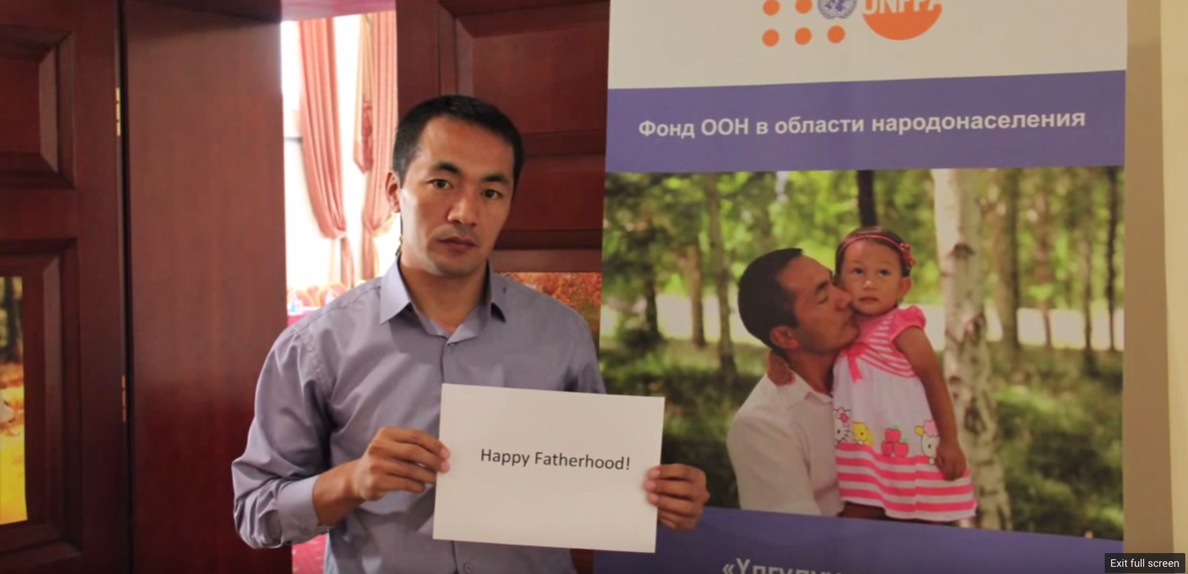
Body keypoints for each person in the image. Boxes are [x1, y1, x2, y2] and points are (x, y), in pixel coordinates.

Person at [232, 95, 709, 574]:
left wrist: (660, 496)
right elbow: (255, 513)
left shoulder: (560, 334)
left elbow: (595, 481)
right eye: (442, 183)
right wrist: (352, 481)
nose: (465, 213)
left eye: (491, 192)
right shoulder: (317, 345)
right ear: (395, 191)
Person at [766, 226, 977, 524]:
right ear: (839, 282)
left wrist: (950, 441)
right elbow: (804, 344)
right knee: (857, 520)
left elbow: (934, 382)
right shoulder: (842, 329)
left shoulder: (902, 328)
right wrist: (775, 356)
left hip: (907, 456)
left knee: (920, 527)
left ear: (903, 287)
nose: (869, 283)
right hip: (862, 457)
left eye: (883, 274)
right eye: (857, 272)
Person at [725, 248, 859, 518]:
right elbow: (797, 545)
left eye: (834, 282)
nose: (846, 298)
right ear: (786, 337)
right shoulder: (763, 426)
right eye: (823, 296)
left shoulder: (870, 359)